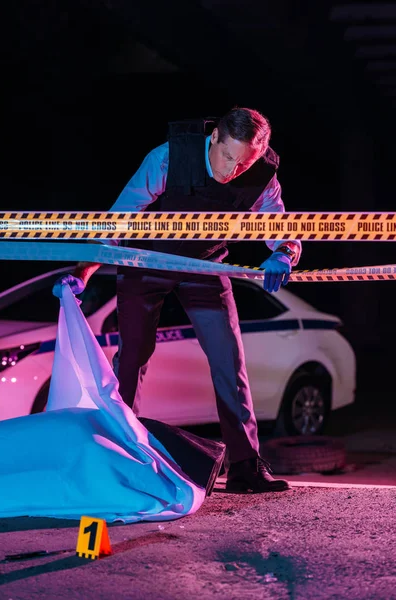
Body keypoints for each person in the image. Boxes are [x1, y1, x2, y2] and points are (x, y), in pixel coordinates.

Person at [53, 107, 302, 493]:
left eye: (243, 163)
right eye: (227, 156)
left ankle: (245, 467)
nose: (231, 171)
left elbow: (279, 225)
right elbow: (120, 217)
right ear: (214, 137)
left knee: (228, 360)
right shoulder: (168, 157)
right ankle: (119, 455)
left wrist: (284, 252)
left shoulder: (262, 174)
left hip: (206, 265)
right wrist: (85, 269)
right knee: (132, 357)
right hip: (146, 261)